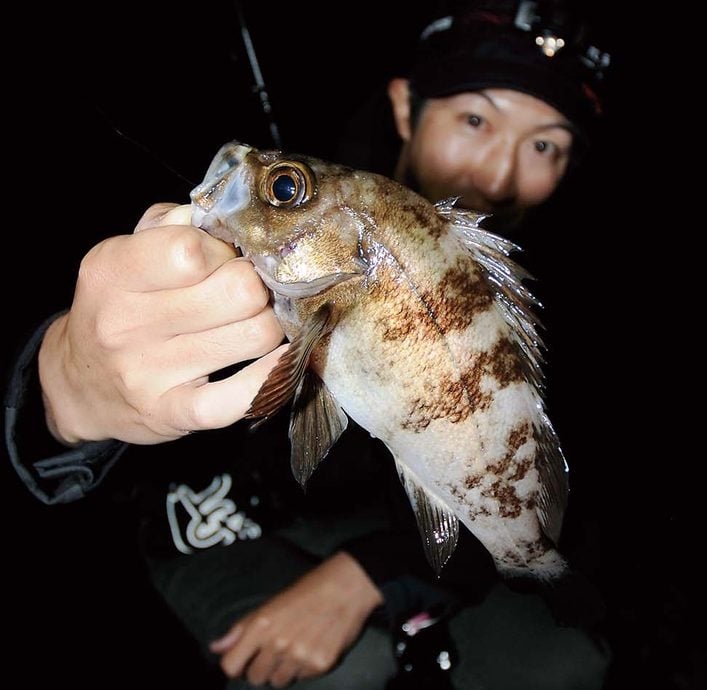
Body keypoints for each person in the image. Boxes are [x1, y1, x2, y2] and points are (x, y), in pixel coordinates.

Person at [5, 1, 613, 687]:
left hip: (390, 536)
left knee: (571, 659)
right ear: (406, 107)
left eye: (545, 145)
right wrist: (61, 389)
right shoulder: (309, 215)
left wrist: (375, 574)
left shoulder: (549, 282)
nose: (500, 175)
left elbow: (533, 471)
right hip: (214, 519)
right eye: (475, 119)